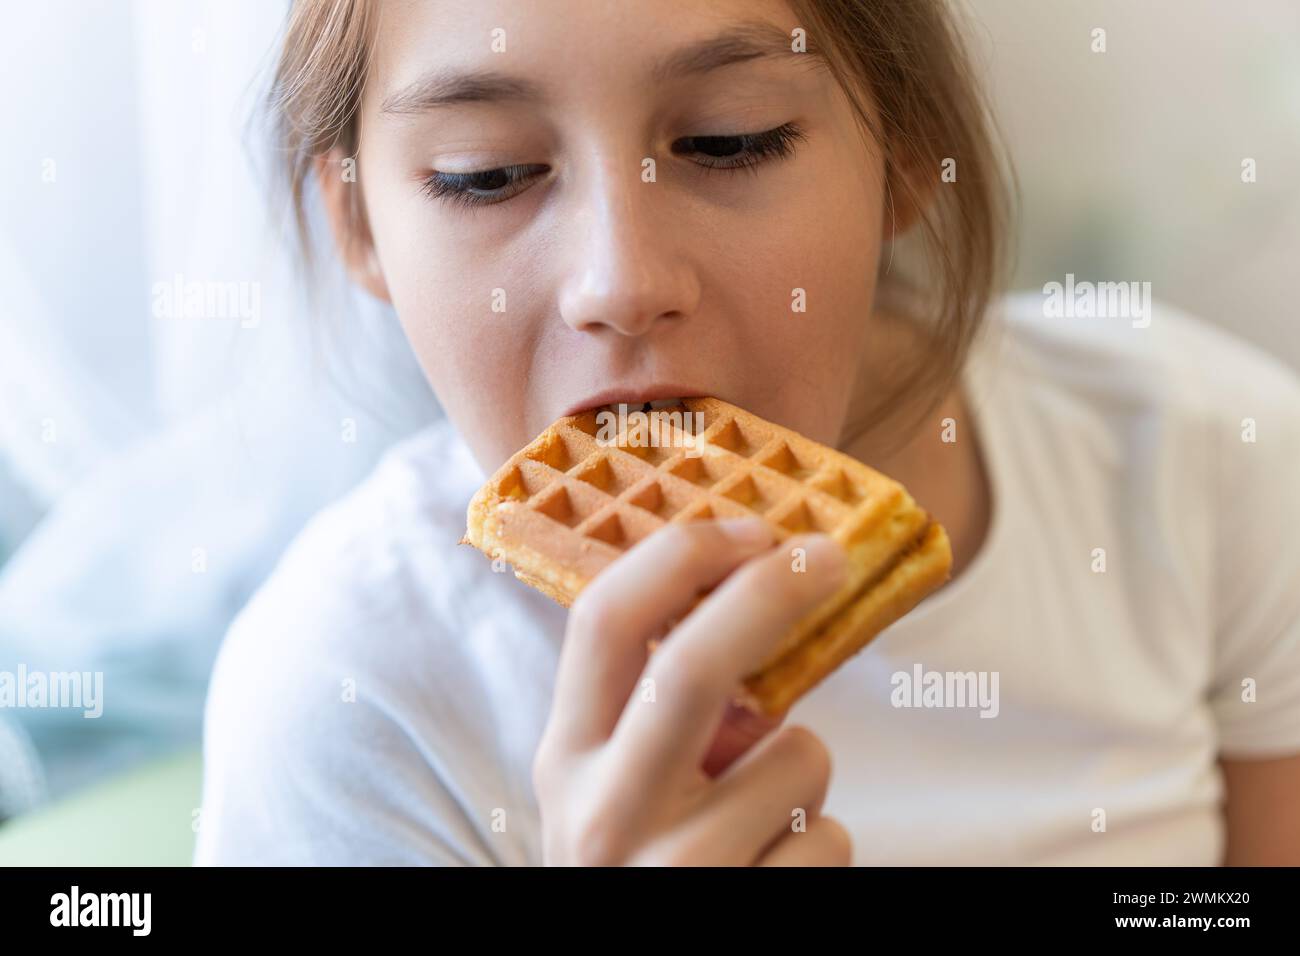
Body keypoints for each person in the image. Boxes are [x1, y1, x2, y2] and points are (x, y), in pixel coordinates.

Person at [193, 0, 1300, 865]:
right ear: (359, 224)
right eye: (486, 173)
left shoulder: (1210, 463)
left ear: (907, 150)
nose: (618, 282)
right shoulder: (351, 699)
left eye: (731, 142)